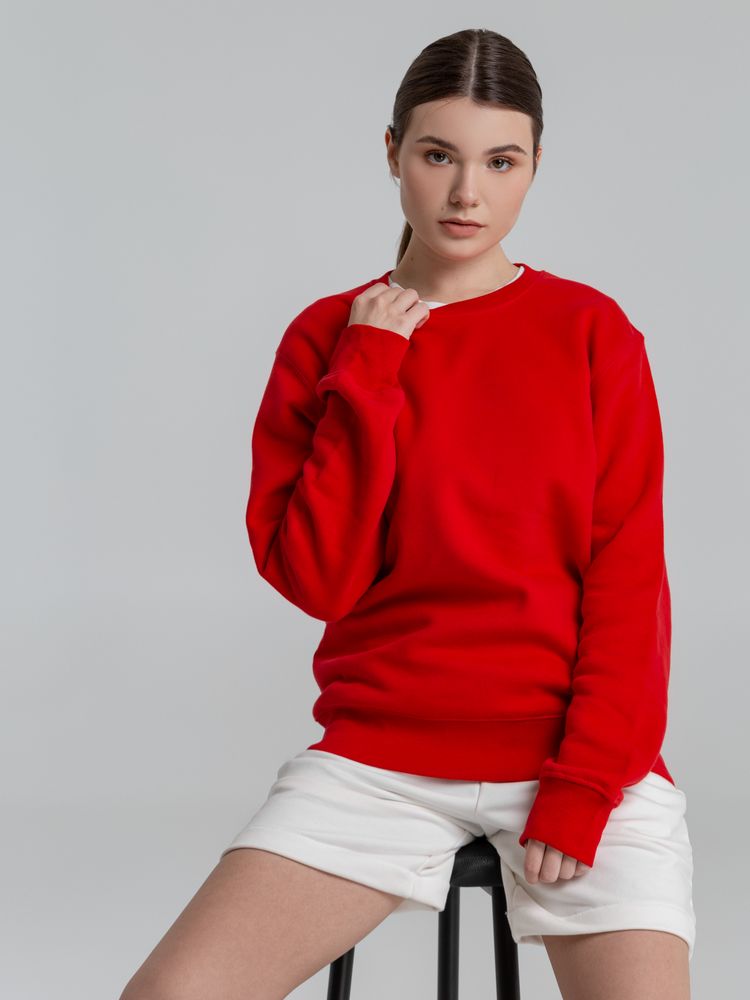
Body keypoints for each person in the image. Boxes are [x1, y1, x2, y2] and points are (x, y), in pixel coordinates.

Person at [119, 27, 695, 1000]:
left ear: (535, 165)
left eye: (500, 161)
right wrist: (370, 372)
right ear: (392, 153)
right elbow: (319, 579)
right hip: (378, 760)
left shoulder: (593, 334)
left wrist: (587, 781)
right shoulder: (327, 338)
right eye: (438, 156)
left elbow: (629, 580)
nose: (467, 193)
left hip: (579, 755)